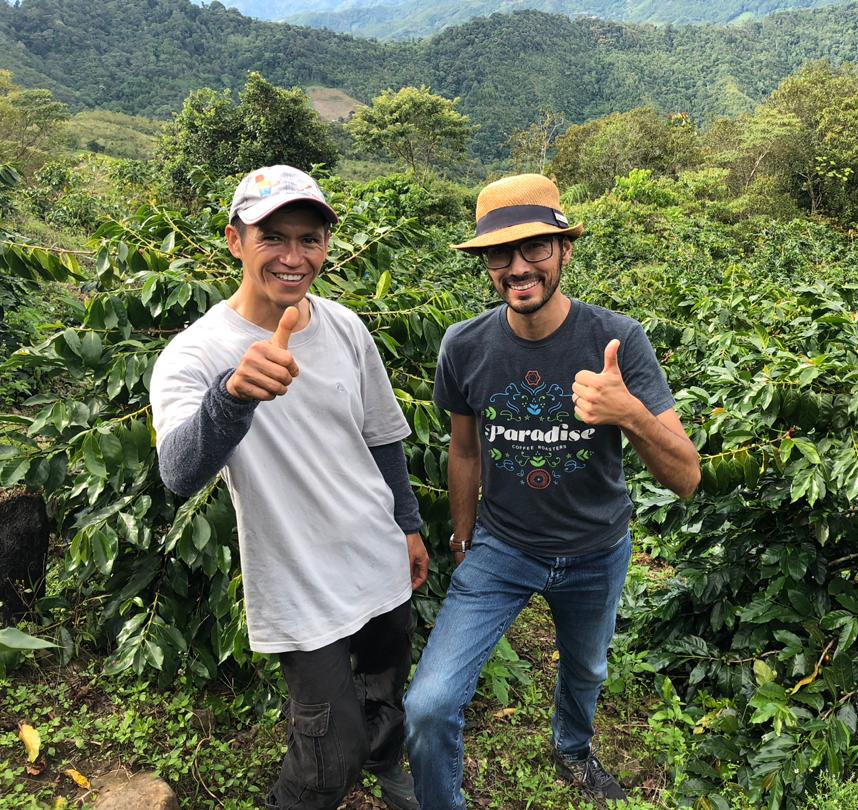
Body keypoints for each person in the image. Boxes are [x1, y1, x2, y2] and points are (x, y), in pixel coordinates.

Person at [404, 173, 700, 807]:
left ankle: (572, 748)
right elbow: (464, 448)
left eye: (535, 247)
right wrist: (463, 534)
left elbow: (686, 478)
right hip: (503, 548)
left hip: (597, 549)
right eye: (499, 253)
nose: (518, 267)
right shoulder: (464, 345)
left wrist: (629, 412)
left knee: (586, 668)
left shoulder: (616, 340)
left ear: (565, 249)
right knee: (428, 705)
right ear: (486, 264)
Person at [149, 165, 428, 810]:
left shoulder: (346, 327)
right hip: (298, 578)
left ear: (326, 246)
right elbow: (178, 474)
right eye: (272, 237)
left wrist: (408, 525)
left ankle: (389, 766)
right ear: (235, 241)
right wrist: (231, 397)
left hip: (376, 553)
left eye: (310, 238)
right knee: (328, 755)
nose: (293, 257)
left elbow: (382, 437)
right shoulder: (197, 354)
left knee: (384, 689)